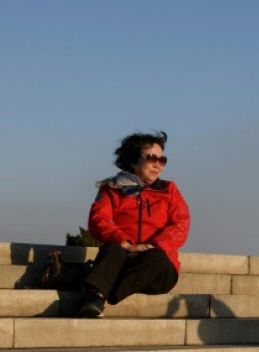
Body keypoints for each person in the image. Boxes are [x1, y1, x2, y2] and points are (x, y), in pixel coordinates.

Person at [79, 131, 191, 317]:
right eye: (151, 158)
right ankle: (96, 295)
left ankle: (103, 296)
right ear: (133, 161)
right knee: (112, 249)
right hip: (123, 258)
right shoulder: (111, 188)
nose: (157, 164)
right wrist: (127, 244)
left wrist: (153, 246)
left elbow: (180, 224)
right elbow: (99, 221)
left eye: (162, 160)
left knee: (157, 258)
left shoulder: (169, 190)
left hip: (154, 267)